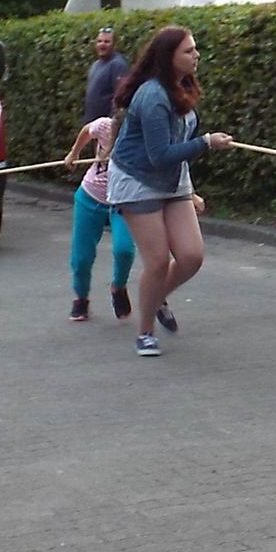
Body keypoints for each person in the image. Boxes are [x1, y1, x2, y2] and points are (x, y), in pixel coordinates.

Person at [107, 26, 233, 357]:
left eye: (195, 49)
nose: (196, 55)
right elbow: (159, 155)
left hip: (173, 178)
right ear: (168, 57)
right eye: (189, 51)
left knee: (191, 256)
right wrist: (206, 142)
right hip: (136, 179)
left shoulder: (183, 85)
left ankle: (156, 295)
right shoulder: (152, 96)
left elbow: (175, 149)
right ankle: (145, 332)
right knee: (158, 260)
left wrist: (190, 190)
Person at [62, 112, 135, 322]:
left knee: (124, 249)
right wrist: (74, 153)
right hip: (91, 196)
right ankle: (80, 298)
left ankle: (118, 287)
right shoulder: (104, 126)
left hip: (122, 200)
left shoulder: (142, 137)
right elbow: (87, 130)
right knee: (81, 258)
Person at [84, 26, 129, 122]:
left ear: (115, 45)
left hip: (106, 126)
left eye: (107, 42)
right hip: (92, 124)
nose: (102, 44)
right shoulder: (95, 65)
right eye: (99, 41)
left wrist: (112, 124)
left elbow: (121, 99)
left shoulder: (118, 65)